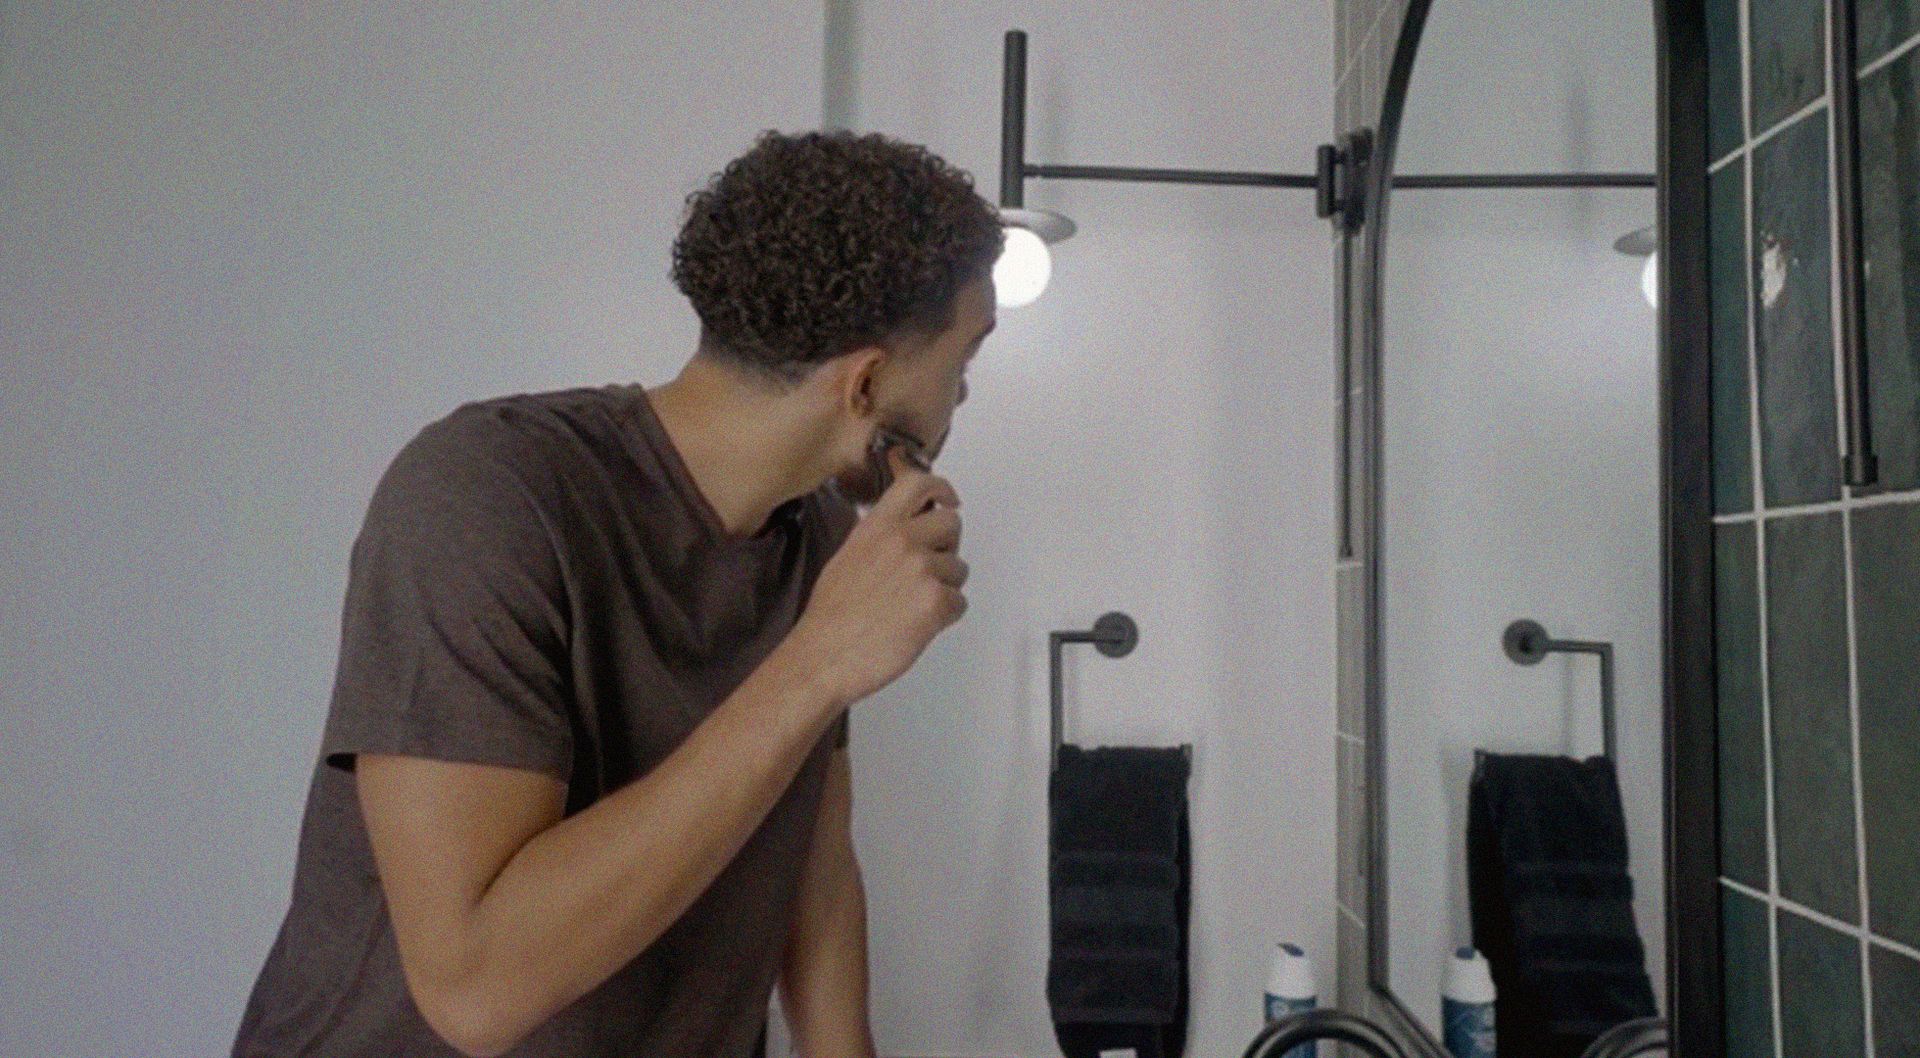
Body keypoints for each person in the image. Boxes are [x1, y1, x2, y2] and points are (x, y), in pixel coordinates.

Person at [231, 128, 1004, 1058]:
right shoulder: (484, 496)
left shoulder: (823, 539)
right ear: (867, 383)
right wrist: (815, 666)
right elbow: (475, 987)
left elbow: (815, 866)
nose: (963, 396)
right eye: (963, 360)